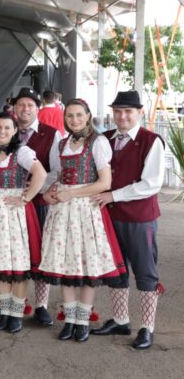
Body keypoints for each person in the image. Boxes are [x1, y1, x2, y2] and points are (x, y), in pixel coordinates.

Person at [38, 98, 126, 342]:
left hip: (86, 209)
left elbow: (105, 182)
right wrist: (49, 192)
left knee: (87, 265)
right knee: (67, 263)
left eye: (79, 115)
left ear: (88, 116)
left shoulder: (98, 142)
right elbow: (58, 175)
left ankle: (83, 320)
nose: (74, 119)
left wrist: (72, 193)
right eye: (69, 116)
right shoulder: (63, 143)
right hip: (63, 210)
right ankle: (70, 319)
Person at [89, 91, 166, 350]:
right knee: (117, 269)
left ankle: (147, 327)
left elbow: (151, 184)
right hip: (109, 216)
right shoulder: (105, 139)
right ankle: (121, 319)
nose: (122, 116)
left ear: (139, 113)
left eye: (128, 112)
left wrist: (113, 195)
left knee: (145, 271)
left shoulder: (151, 140)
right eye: (118, 111)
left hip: (139, 218)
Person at [0, 87, 61, 326]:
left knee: (37, 255)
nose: (25, 108)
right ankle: (8, 305)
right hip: (7, 207)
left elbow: (56, 170)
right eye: (21, 105)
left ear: (38, 108)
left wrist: (30, 191)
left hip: (37, 201)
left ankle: (41, 305)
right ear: (14, 109)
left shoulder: (51, 134)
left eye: (30, 105)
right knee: (10, 256)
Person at [0, 112, 47, 334]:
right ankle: (5, 312)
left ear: (15, 131)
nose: (2, 132)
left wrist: (25, 198)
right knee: (2, 265)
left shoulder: (21, 152)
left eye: (7, 128)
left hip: (14, 214)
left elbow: (40, 173)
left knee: (18, 266)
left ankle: (16, 314)